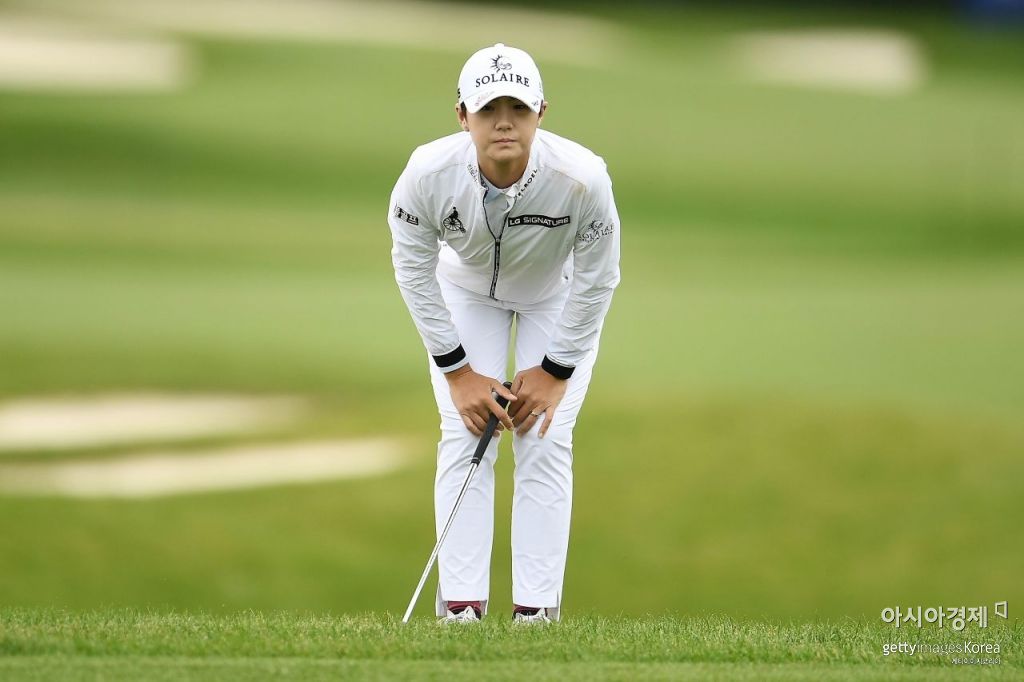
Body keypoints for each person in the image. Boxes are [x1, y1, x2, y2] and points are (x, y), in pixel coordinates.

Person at [387, 43, 621, 624]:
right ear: (462, 115)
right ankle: (461, 607)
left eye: (517, 108)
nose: (504, 123)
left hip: (554, 294)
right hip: (465, 291)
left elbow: (599, 278)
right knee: (466, 433)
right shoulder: (427, 174)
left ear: (542, 111)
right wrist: (458, 373)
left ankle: (535, 612)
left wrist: (556, 370)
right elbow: (412, 268)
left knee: (543, 436)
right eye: (488, 109)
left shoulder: (582, 178)